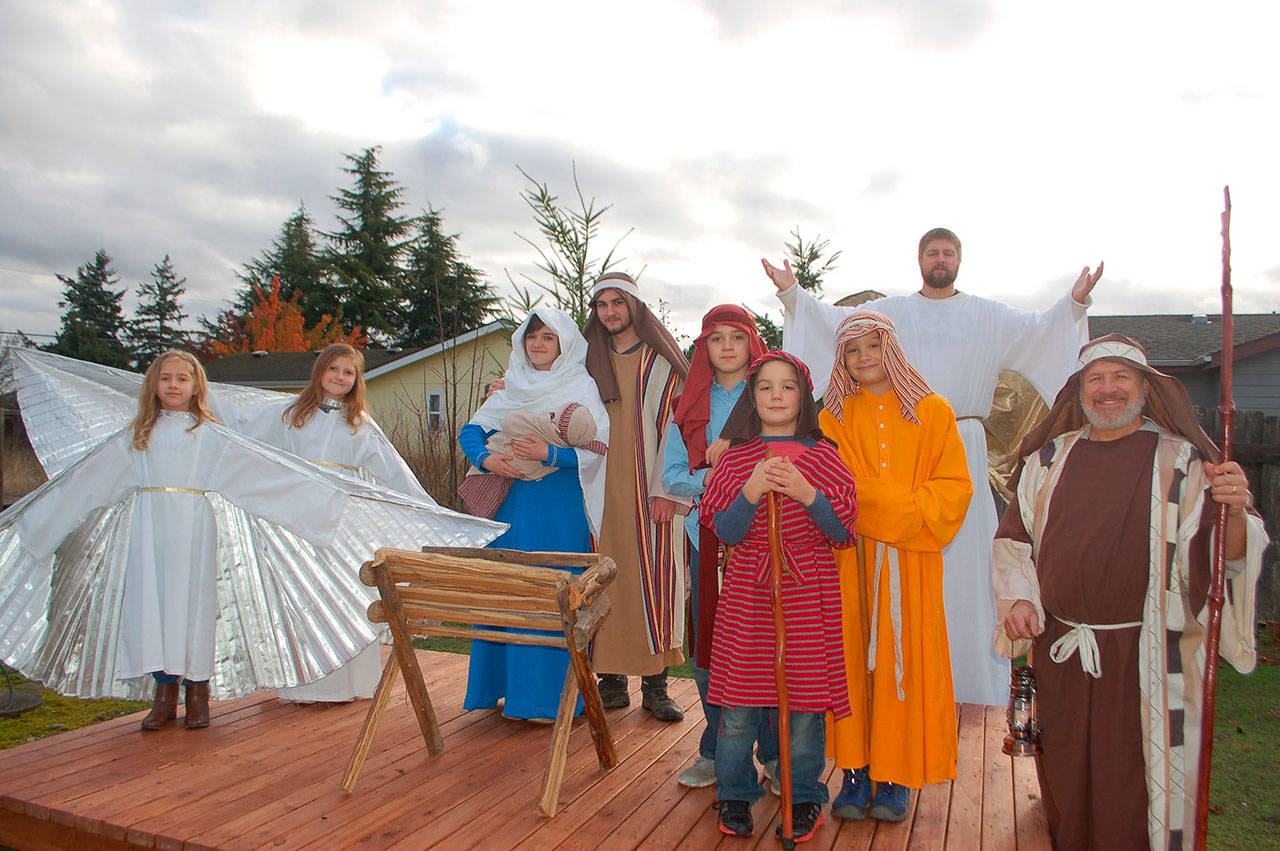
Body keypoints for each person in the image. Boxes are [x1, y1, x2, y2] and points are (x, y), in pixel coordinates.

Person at [0, 350, 503, 730]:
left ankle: (198, 693)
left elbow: (267, 475)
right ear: (154, 386)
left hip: (202, 528)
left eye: (183, 379)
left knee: (199, 608)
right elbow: (85, 482)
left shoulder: (217, 437)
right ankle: (164, 693)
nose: (174, 386)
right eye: (167, 379)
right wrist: (37, 525)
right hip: (150, 533)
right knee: (150, 609)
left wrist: (364, 504)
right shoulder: (140, 437)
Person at [763, 228, 1104, 706]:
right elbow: (837, 326)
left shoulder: (988, 315)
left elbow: (1040, 330)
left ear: (958, 260)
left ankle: (970, 685)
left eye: (947, 252)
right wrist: (793, 295)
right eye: (932, 252)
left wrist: (1073, 305)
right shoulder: (893, 312)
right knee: (900, 561)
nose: (939, 259)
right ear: (920, 260)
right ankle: (898, 678)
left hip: (961, 444)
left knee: (968, 572)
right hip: (899, 450)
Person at [992, 334, 1266, 849]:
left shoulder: (1181, 463)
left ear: (1145, 388)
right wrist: (1021, 598)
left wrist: (1234, 510)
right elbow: (1014, 538)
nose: (1108, 389)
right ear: (1079, 394)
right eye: (1096, 379)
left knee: (1130, 785)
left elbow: (1220, 556)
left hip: (1147, 658)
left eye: (1121, 377)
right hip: (1062, 654)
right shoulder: (1048, 460)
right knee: (1065, 777)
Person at [818, 310, 972, 821]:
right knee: (849, 660)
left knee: (905, 662)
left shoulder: (933, 411)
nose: (863, 357)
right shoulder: (833, 417)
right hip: (850, 560)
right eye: (852, 350)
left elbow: (953, 491)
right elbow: (834, 488)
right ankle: (855, 772)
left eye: (873, 345)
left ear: (892, 348)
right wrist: (904, 507)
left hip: (911, 565)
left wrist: (886, 510)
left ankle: (895, 777)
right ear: (841, 360)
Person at [699, 351, 858, 841]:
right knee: (738, 706)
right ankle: (735, 792)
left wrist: (809, 495)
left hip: (807, 594)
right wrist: (750, 492)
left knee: (805, 708)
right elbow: (725, 530)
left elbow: (843, 533)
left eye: (787, 386)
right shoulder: (737, 460)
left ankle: (804, 796)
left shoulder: (825, 457)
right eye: (765, 387)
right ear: (752, 398)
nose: (776, 396)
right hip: (748, 594)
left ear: (803, 397)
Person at [240, 343, 434, 702]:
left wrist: (429, 510)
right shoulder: (290, 414)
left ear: (357, 379)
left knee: (344, 595)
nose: (340, 377)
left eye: (348, 372)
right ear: (320, 371)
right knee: (302, 593)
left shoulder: (359, 424)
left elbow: (393, 471)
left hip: (343, 520)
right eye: (333, 369)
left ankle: (348, 684)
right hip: (297, 516)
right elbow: (242, 425)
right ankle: (306, 685)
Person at [457, 307, 609, 721]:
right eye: (531, 336)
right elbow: (471, 430)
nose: (538, 344)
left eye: (548, 337)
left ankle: (546, 699)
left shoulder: (580, 386)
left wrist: (550, 454)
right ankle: (504, 690)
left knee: (552, 594)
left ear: (564, 344)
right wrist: (486, 459)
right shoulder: (512, 384)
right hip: (511, 506)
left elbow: (598, 450)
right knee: (507, 590)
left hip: (558, 509)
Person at [663, 304, 772, 788]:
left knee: (767, 646)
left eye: (737, 336)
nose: (727, 346)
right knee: (710, 647)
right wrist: (725, 477)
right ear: (703, 346)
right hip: (707, 536)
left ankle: (774, 755)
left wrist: (732, 470)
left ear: (752, 342)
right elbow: (672, 476)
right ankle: (717, 752)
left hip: (770, 536)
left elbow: (792, 455)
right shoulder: (690, 404)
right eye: (716, 337)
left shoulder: (773, 392)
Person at [583, 271, 691, 721]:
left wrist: (666, 490)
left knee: (654, 579)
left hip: (650, 490)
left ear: (634, 306)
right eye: (602, 304)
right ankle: (610, 682)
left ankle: (656, 685)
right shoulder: (585, 361)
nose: (610, 311)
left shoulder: (660, 362)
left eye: (618, 302)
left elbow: (678, 429)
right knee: (603, 579)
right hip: (598, 489)